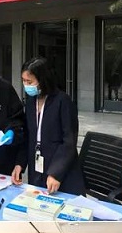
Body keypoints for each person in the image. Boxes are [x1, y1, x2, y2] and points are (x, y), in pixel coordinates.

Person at [11, 57, 85, 195]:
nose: (26, 85)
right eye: (23, 81)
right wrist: (19, 164)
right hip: (37, 168)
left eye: (29, 82)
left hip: (61, 171)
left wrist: (56, 172)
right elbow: (28, 137)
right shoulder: (30, 102)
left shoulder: (63, 101)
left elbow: (68, 141)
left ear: (43, 80)